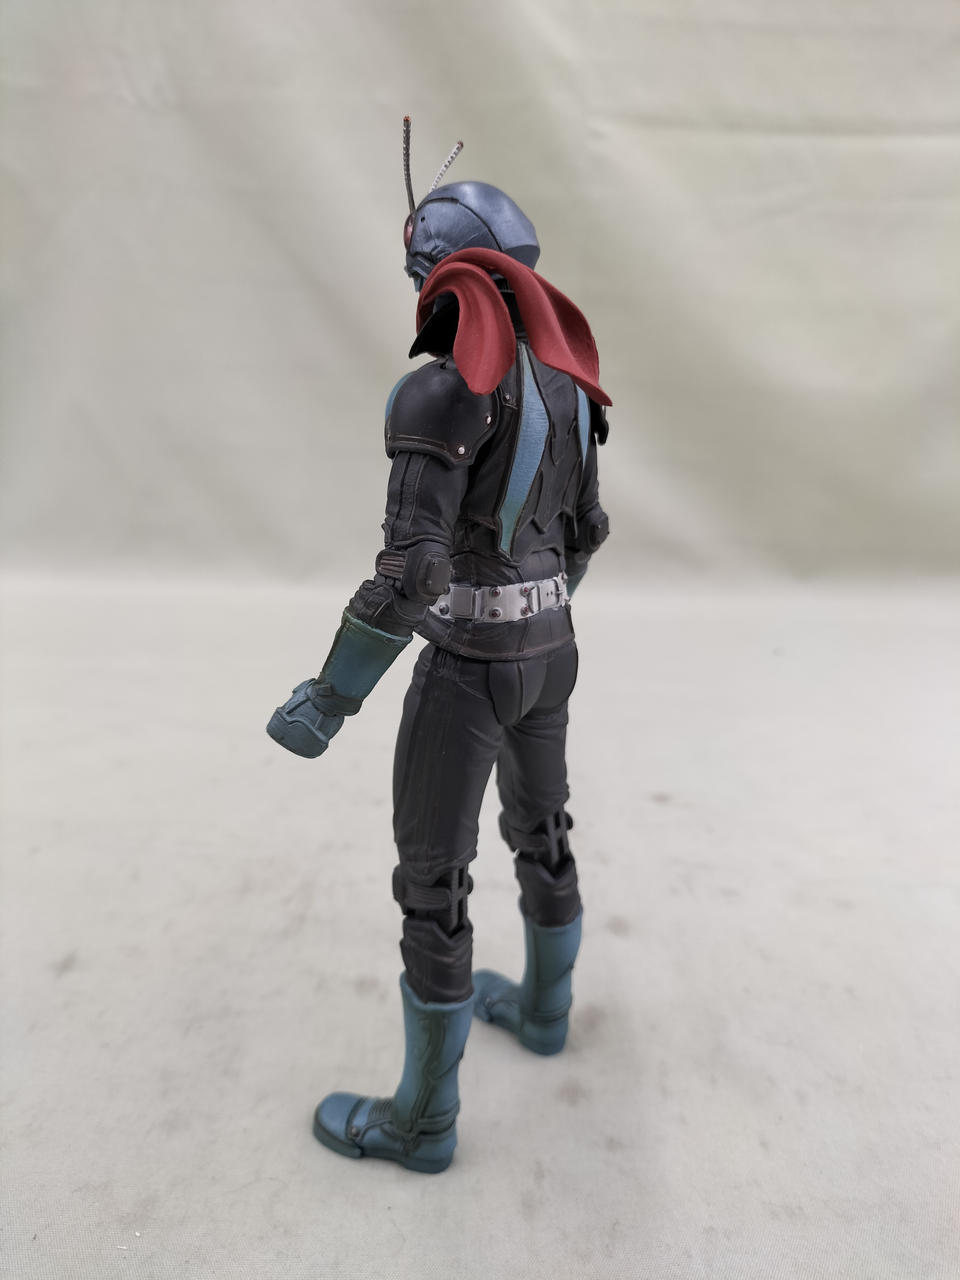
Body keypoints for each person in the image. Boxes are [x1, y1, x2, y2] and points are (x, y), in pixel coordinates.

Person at [267, 119, 610, 1173]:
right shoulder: (569, 380)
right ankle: (545, 1012)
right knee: (543, 829)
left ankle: (421, 1122)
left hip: (467, 670)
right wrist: (537, 614)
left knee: (434, 883)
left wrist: (330, 696)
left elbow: (414, 574)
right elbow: (587, 530)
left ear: (438, 272)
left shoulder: (442, 389)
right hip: (553, 651)